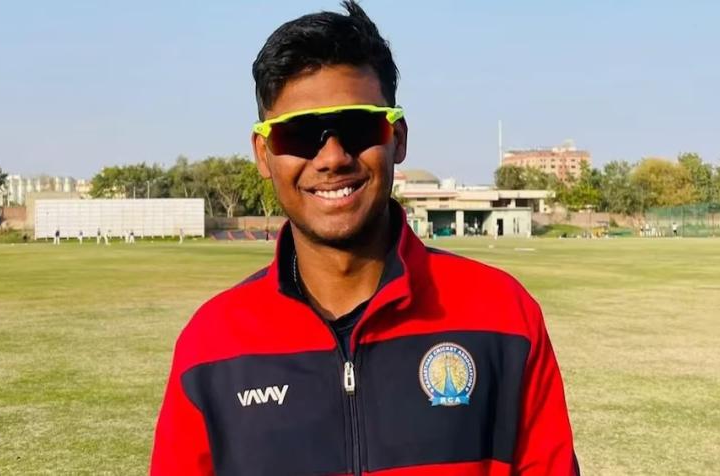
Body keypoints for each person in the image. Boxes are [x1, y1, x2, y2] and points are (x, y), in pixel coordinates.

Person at [151, 2, 578, 475]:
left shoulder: (504, 317)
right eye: (299, 134)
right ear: (263, 152)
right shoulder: (211, 345)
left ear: (398, 137)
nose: (332, 157)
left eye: (357, 126)